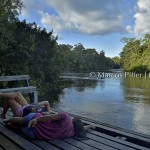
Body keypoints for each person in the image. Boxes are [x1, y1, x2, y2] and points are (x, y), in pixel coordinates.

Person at [3, 111, 95, 140]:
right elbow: (83, 128)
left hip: (34, 120)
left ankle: (5, 120)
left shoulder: (66, 116)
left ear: (74, 120)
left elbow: (50, 117)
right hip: (34, 135)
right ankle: (9, 125)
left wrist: (37, 119)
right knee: (20, 128)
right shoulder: (72, 132)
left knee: (20, 120)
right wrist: (90, 126)